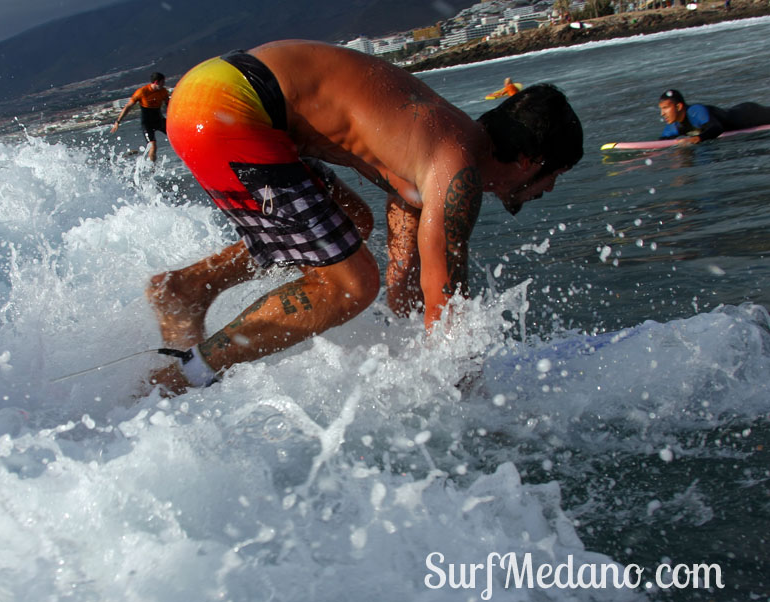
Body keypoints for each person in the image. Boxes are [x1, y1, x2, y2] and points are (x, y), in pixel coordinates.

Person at [146, 40, 583, 394]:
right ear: (530, 160)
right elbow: (446, 303)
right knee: (352, 285)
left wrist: (408, 354)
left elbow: (409, 285)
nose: (549, 190)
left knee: (352, 227)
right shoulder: (457, 174)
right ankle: (181, 378)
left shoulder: (438, 151)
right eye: (555, 176)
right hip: (230, 107)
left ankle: (189, 287)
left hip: (215, 93)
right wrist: (465, 402)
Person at [658, 88, 770, 144]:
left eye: (665, 108)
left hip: (748, 115)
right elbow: (661, 142)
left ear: (678, 107)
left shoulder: (695, 111)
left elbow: (716, 128)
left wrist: (697, 138)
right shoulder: (674, 126)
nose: (662, 113)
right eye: (661, 109)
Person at [111, 72, 171, 162]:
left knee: (177, 136)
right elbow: (128, 107)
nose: (164, 84)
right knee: (153, 146)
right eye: (162, 82)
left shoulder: (163, 92)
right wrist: (118, 122)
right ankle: (152, 167)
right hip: (147, 123)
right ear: (156, 82)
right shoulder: (142, 92)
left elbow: (169, 105)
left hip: (160, 120)